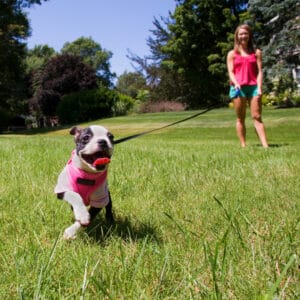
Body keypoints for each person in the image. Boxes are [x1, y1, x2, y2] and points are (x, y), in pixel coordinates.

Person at [227, 24, 268, 148]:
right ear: (237, 36)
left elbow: (260, 71)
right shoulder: (232, 54)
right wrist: (236, 83)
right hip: (238, 88)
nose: (243, 36)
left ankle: (265, 146)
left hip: (253, 87)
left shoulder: (256, 53)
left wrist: (259, 87)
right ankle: (243, 145)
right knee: (241, 118)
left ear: (249, 36)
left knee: (257, 116)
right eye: (241, 34)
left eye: (245, 33)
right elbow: (231, 71)